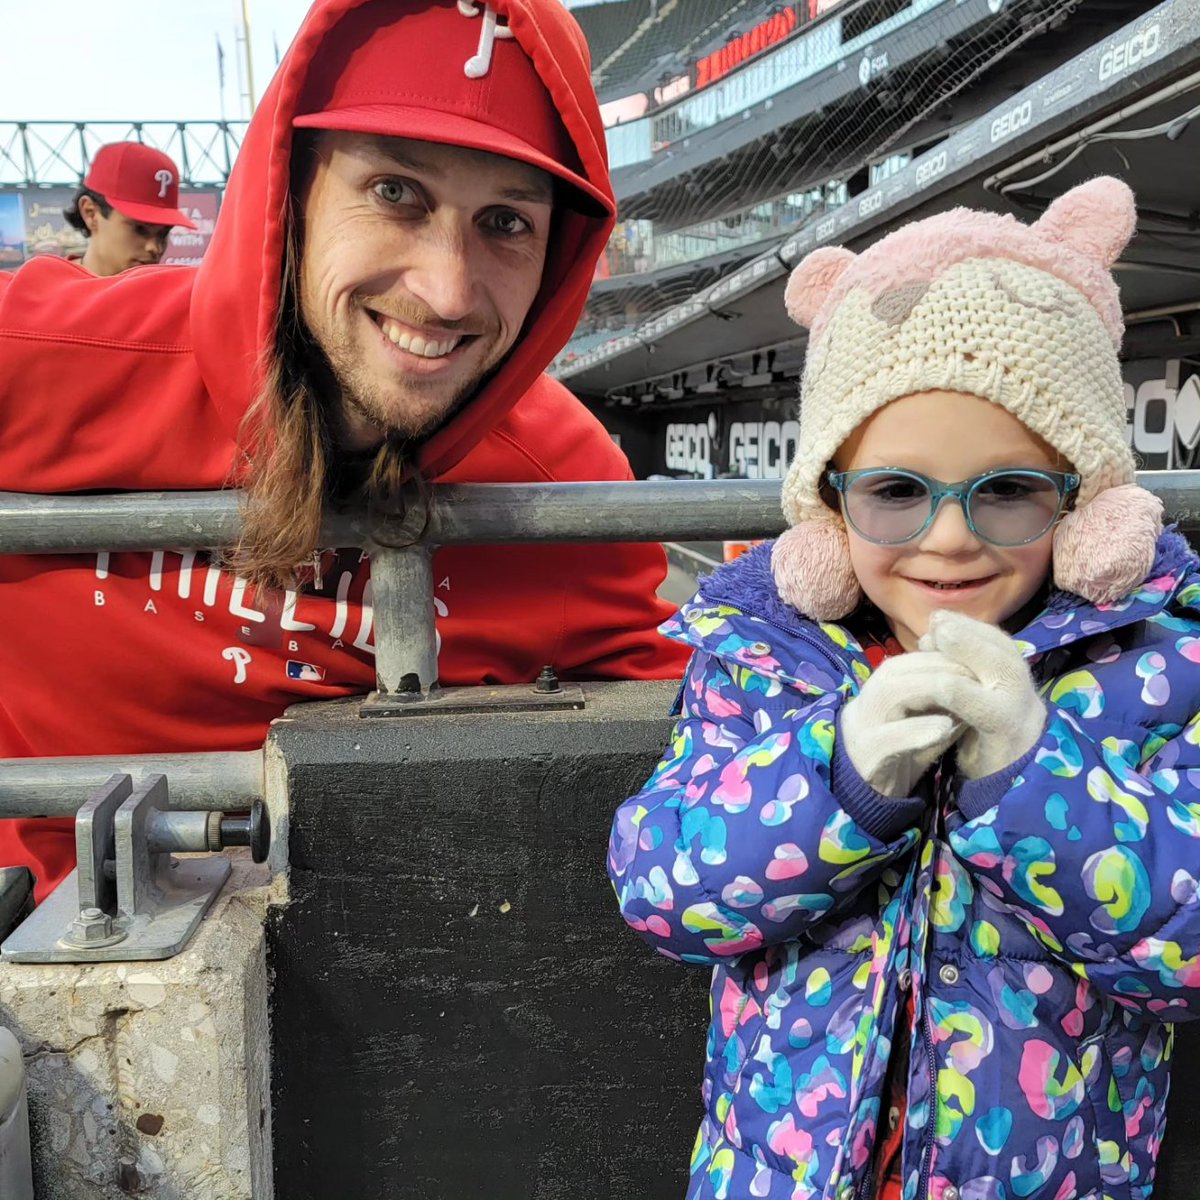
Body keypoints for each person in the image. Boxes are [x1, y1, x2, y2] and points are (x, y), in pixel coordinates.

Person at [0, 0, 688, 902]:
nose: (446, 292)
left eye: (507, 223)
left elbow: (701, 733)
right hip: (50, 956)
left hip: (379, 983)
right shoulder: (54, 358)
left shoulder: (562, 476)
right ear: (291, 194)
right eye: (396, 192)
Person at [609, 177, 1200, 1200]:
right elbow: (662, 890)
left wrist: (1031, 781)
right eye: (895, 492)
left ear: (1090, 503)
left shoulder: (1158, 665)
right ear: (828, 510)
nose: (951, 538)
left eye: (1009, 490)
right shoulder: (761, 655)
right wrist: (838, 776)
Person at [62, 142, 196, 276]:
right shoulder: (45, 289)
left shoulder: (175, 294)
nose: (154, 247)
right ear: (90, 213)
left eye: (163, 234)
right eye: (140, 229)